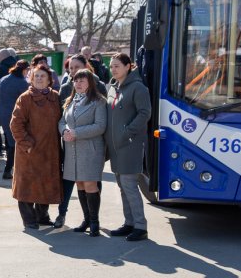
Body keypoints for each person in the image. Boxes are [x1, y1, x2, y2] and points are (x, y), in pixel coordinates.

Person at [56, 54, 108, 227]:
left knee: (90, 183)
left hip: (91, 149)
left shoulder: (98, 101)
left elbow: (100, 126)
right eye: (76, 81)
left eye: (82, 81)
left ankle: (94, 222)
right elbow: (62, 120)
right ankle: (86, 220)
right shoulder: (71, 100)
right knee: (79, 184)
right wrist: (64, 130)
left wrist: (75, 132)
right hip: (72, 149)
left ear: (90, 83)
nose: (78, 84)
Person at [105, 53, 151, 242]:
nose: (113, 69)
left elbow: (144, 113)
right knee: (122, 186)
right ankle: (129, 223)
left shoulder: (138, 88)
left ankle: (140, 226)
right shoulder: (112, 87)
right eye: (111, 66)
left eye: (117, 66)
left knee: (129, 185)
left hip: (130, 144)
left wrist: (127, 132)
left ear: (127, 67)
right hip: (115, 145)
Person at [10, 65, 63, 229]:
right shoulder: (25, 98)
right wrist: (27, 144)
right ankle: (29, 219)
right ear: (31, 79)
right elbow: (16, 124)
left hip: (50, 150)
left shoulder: (55, 97)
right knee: (27, 185)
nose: (39, 79)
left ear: (49, 79)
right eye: (36, 76)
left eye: (42, 76)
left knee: (45, 183)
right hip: (30, 151)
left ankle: (42, 216)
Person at [0, 60, 30, 180]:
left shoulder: (4, 79)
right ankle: (9, 170)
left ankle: (10, 169)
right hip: (14, 115)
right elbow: (27, 101)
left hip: (2, 113)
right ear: (24, 70)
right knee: (14, 143)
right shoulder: (22, 83)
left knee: (9, 140)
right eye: (28, 71)